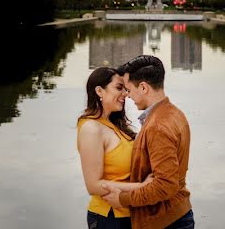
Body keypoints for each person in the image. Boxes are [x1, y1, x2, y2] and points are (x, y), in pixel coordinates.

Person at [103, 55, 194, 229]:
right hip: (175, 215)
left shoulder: (158, 126)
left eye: (129, 90)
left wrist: (122, 199)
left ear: (143, 87)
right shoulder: (175, 113)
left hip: (164, 222)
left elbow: (165, 185)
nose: (127, 97)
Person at [77, 66, 154, 229]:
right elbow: (93, 185)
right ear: (99, 91)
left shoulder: (116, 125)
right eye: (119, 88)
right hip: (109, 218)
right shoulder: (91, 128)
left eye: (126, 89)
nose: (125, 94)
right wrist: (141, 187)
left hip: (131, 214)